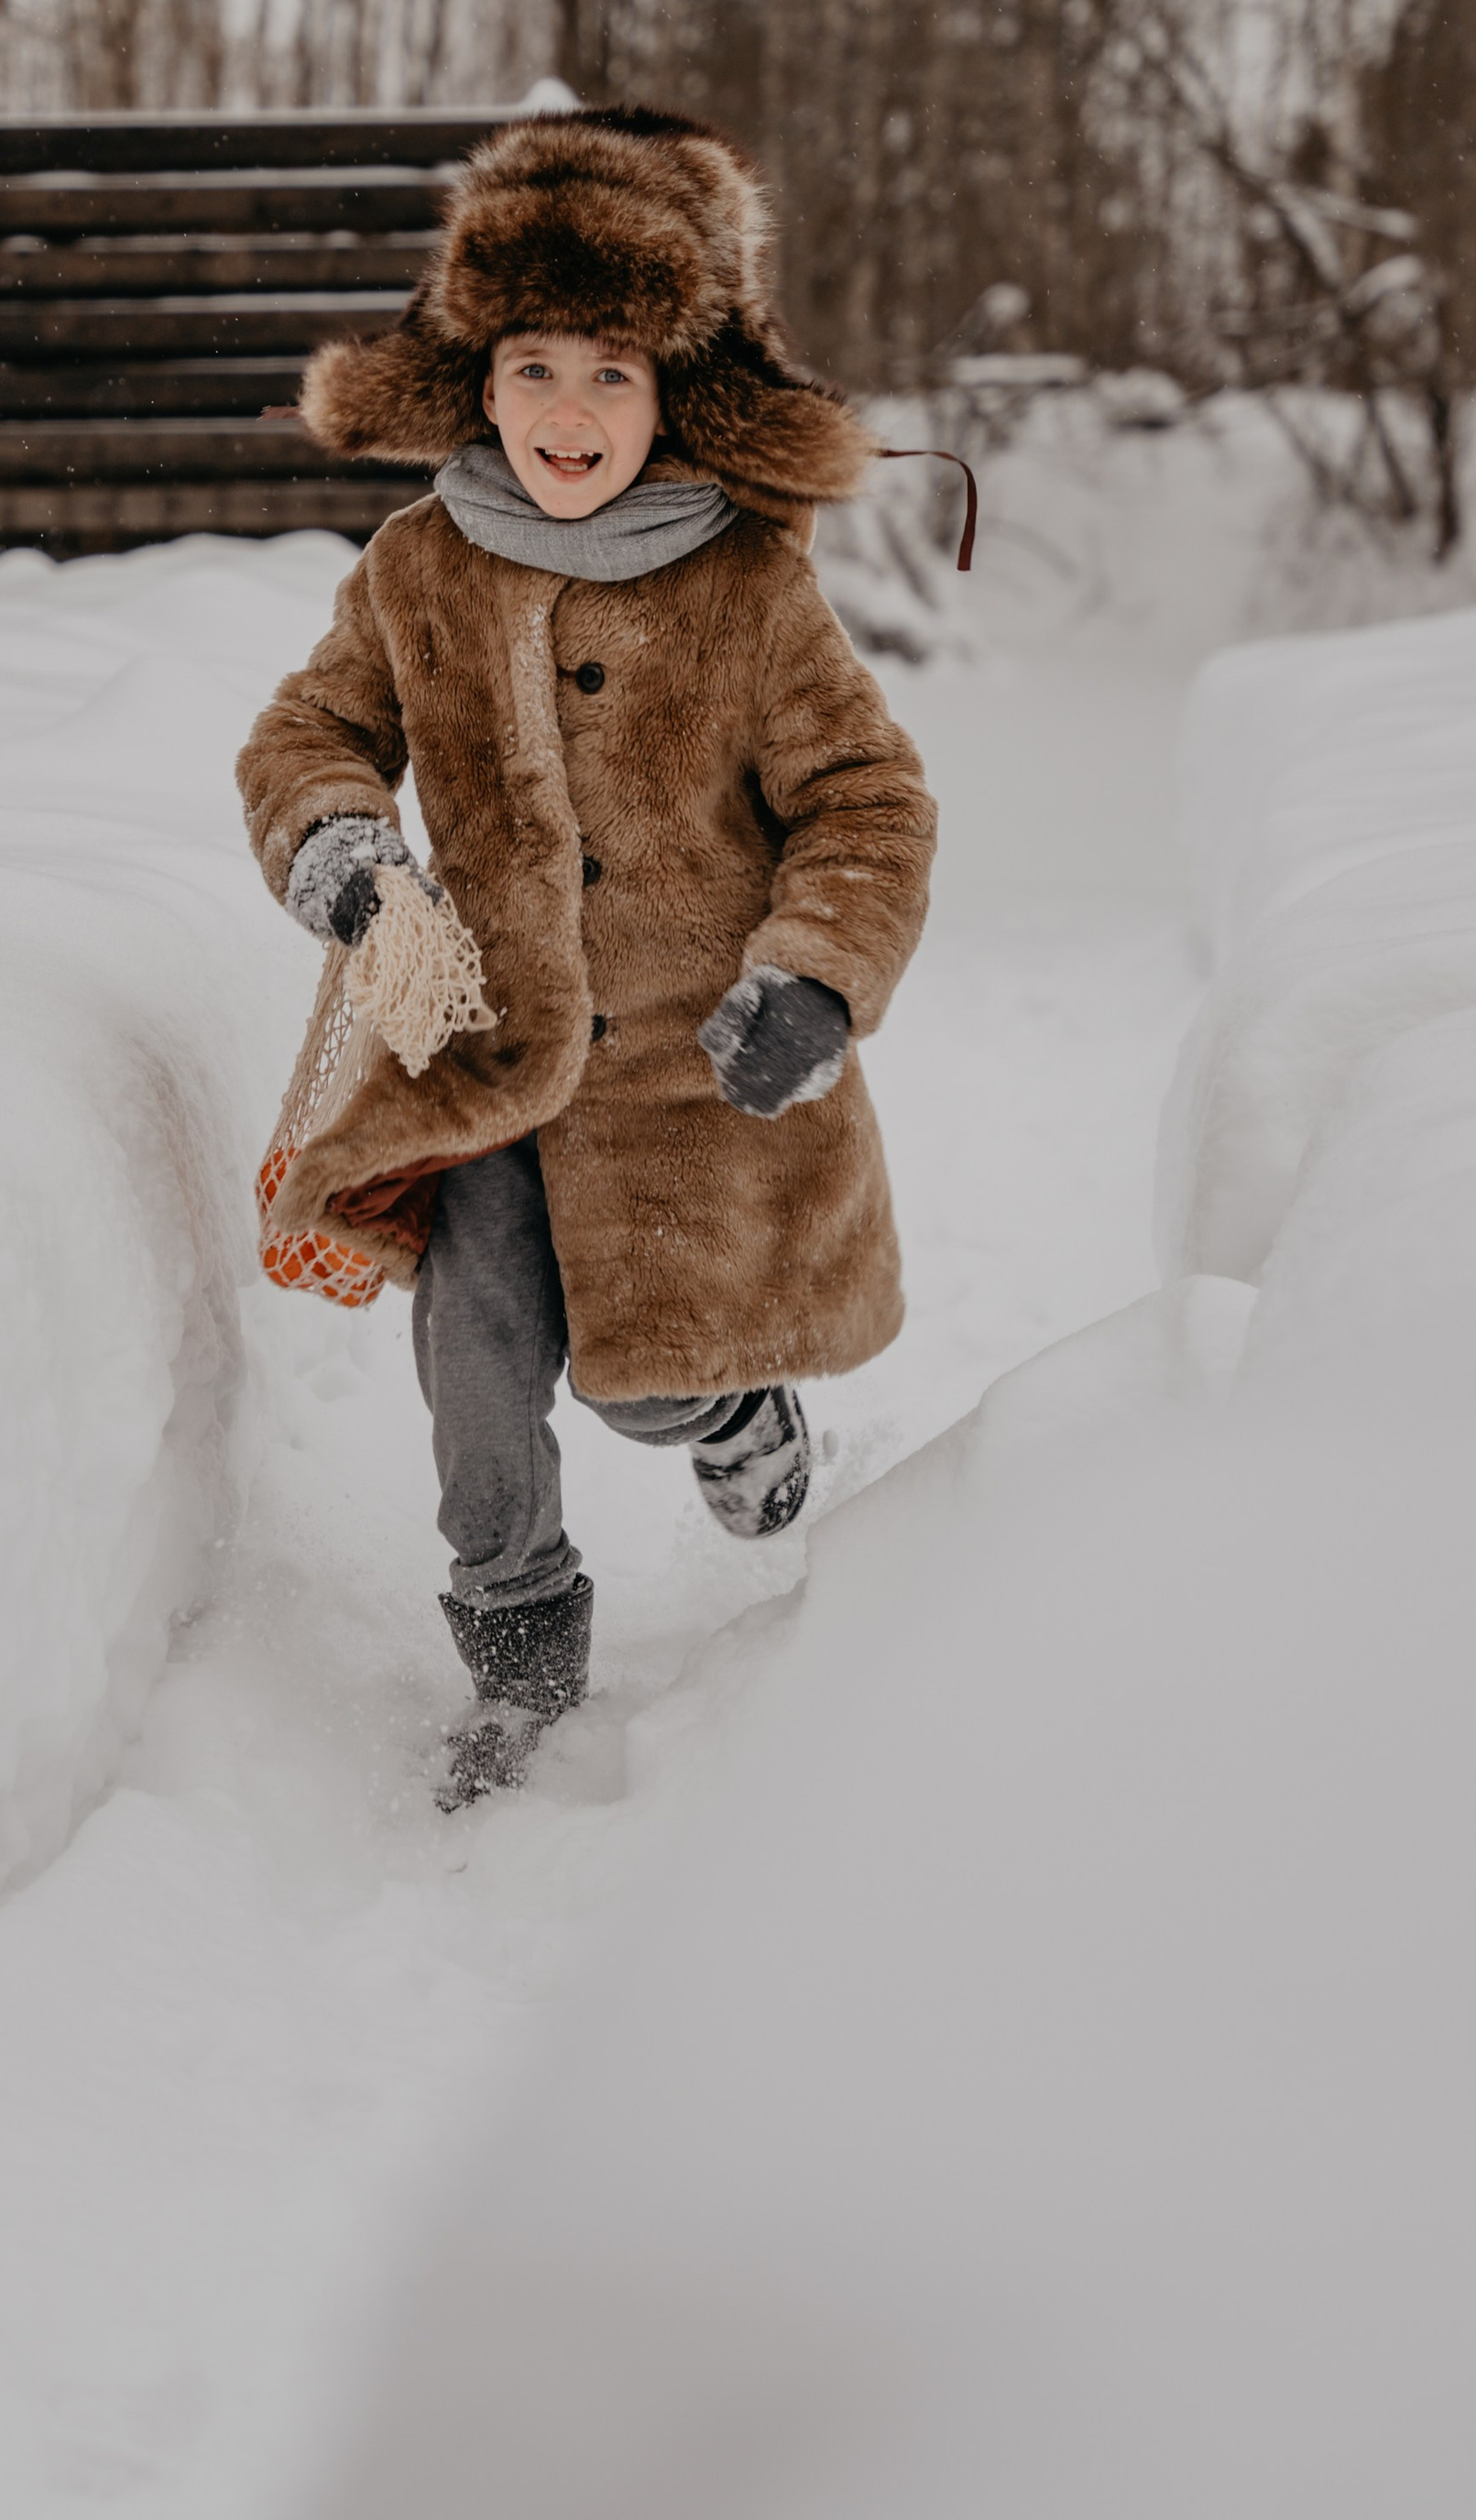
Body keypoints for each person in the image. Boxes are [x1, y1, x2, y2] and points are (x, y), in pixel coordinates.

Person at [236, 108, 936, 1807]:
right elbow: (311, 732)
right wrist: (337, 841)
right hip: (485, 1054)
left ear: (670, 392)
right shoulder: (421, 566)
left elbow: (865, 796)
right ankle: (521, 1653)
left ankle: (735, 1418)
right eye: (534, 367)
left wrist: (814, 974)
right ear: (477, 383)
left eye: (610, 373)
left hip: (691, 1080)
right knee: (476, 1374)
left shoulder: (746, 587)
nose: (568, 411)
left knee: (646, 1384)